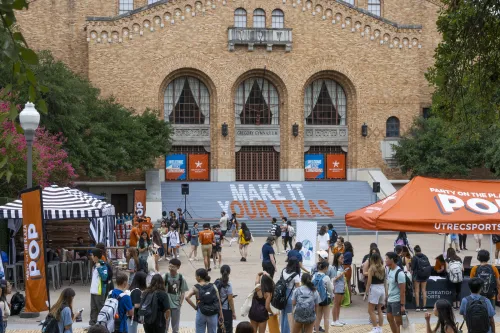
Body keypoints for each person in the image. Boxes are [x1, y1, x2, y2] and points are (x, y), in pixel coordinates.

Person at [185, 269, 223, 333]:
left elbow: (186, 297)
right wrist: (221, 314)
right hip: (213, 313)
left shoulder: (196, 287)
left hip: (201, 312)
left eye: (196, 276)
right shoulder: (213, 286)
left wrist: (195, 307)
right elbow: (218, 300)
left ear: (199, 277)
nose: (195, 277)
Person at [164, 258, 189, 333]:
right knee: (165, 326)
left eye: (173, 267)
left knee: (175, 327)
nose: (171, 268)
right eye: (170, 266)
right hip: (166, 306)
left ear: (178, 267)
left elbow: (183, 292)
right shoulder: (164, 276)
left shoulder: (181, 278)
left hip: (176, 306)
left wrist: (180, 304)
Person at [364, 252, 386, 333]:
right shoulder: (383, 268)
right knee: (379, 310)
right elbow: (384, 280)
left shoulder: (371, 269)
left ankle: (375, 328)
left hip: (374, 288)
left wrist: (366, 292)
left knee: (370, 310)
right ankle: (380, 328)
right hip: (382, 288)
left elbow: (369, 282)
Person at [385, 252, 406, 333]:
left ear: (392, 260)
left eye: (387, 258)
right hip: (390, 300)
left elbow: (403, 291)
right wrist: (386, 298)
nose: (385, 260)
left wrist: (402, 305)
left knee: (398, 322)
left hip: (397, 301)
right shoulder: (390, 270)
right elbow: (390, 286)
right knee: (389, 319)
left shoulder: (399, 273)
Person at [280, 258, 301, 333]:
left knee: (283, 314)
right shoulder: (295, 275)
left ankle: (282, 331)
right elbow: (298, 289)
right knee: (289, 315)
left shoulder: (284, 270)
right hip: (290, 295)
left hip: (282, 294)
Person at [89, 248, 109, 326]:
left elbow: (104, 277)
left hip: (100, 292)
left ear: (96, 257)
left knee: (100, 308)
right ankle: (92, 324)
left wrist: (99, 268)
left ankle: (102, 324)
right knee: (93, 309)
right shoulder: (94, 265)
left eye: (92, 256)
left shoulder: (103, 265)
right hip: (93, 291)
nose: (91, 257)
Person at [313, 261, 333, 333]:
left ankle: (317, 331)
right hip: (325, 299)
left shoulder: (314, 276)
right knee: (326, 318)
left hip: (317, 299)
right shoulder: (326, 277)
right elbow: (330, 289)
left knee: (318, 317)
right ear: (326, 268)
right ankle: (326, 331)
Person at [216, 265, 236, 333]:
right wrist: (233, 312)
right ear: (229, 272)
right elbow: (230, 300)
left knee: (219, 328)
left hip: (218, 310)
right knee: (227, 329)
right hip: (226, 310)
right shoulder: (228, 284)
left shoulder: (217, 282)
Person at [411, 245, 431, 312]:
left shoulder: (414, 257)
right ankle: (424, 306)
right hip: (424, 275)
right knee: (424, 290)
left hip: (417, 275)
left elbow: (412, 268)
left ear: (415, 251)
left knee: (417, 291)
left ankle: (417, 307)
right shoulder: (425, 256)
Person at [330, 252, 347, 327]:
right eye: (341, 258)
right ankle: (334, 320)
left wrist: (344, 284)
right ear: (337, 259)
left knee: (339, 304)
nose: (343, 259)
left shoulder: (341, 267)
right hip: (336, 287)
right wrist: (342, 274)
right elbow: (333, 279)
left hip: (341, 287)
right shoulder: (334, 267)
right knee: (335, 303)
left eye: (343, 257)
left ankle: (337, 319)